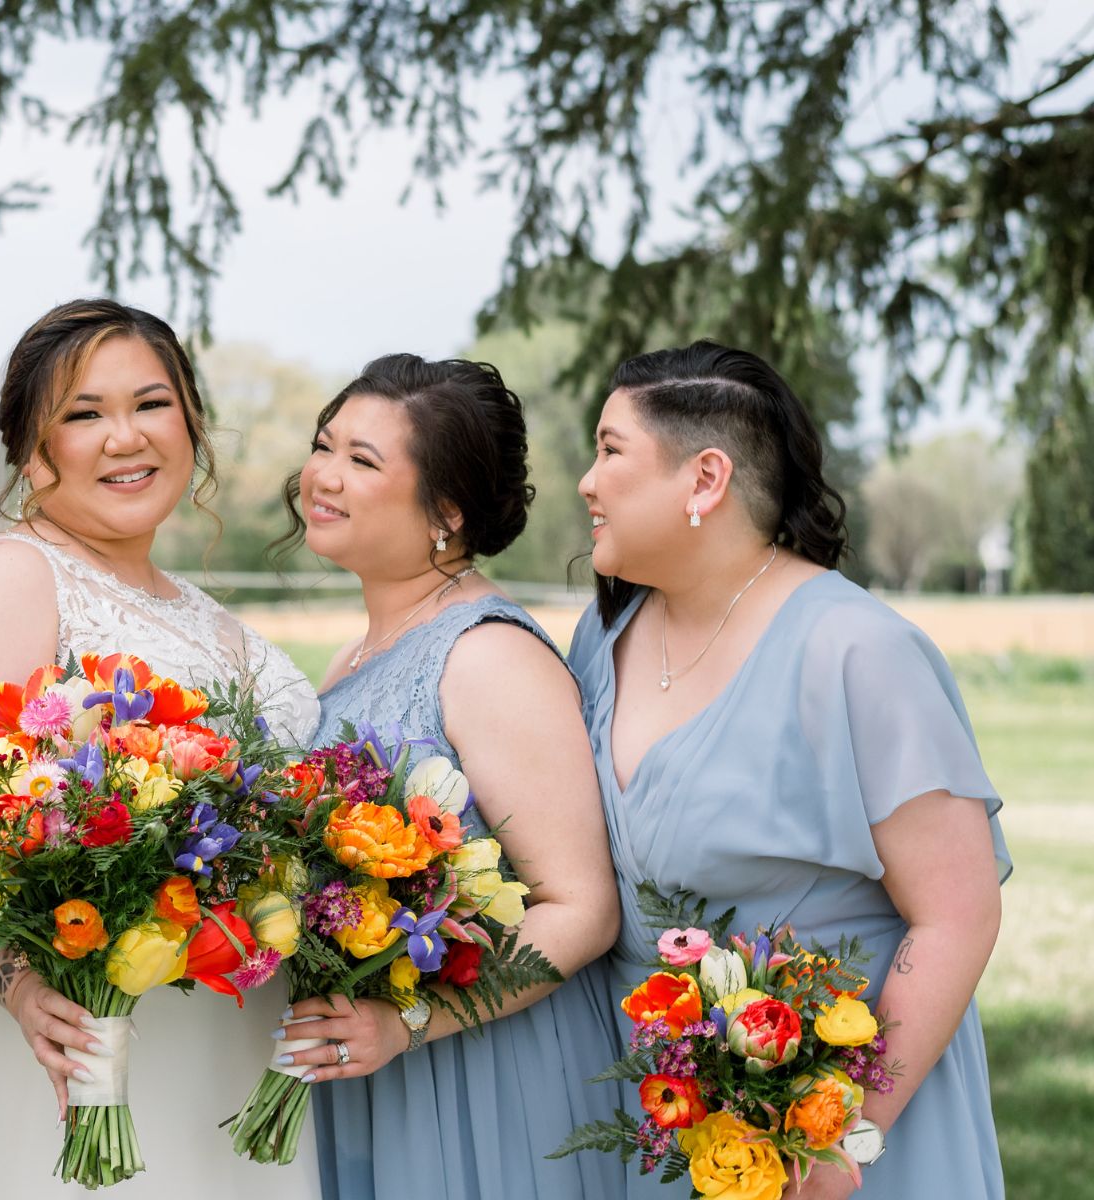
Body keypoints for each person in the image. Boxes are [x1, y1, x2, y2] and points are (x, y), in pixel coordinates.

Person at [0, 298, 322, 1198]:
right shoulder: (11, 577)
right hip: (54, 1053)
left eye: (151, 404)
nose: (125, 438)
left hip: (226, 1048)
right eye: (84, 415)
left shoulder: (211, 620)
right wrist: (19, 985)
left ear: (192, 422)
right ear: (29, 451)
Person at [564, 341, 1009, 1199]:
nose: (587, 480)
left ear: (705, 480)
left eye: (611, 450)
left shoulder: (858, 651)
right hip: (651, 1117)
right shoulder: (603, 638)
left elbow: (958, 915)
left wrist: (847, 1139)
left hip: (831, 1133)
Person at [264, 353, 624, 1199]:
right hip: (372, 1059)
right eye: (325, 446)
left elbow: (583, 909)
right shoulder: (359, 650)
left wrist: (410, 1020)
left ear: (447, 514)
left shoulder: (487, 653)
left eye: (363, 461)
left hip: (479, 1068)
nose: (323, 475)